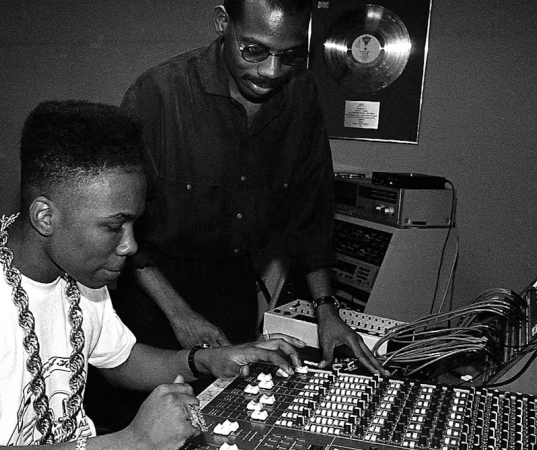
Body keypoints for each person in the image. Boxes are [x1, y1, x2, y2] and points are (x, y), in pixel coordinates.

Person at [0, 100, 304, 450]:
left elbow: (121, 359)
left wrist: (210, 360)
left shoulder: (82, 275)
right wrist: (131, 442)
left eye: (134, 224)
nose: (131, 245)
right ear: (45, 216)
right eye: (113, 226)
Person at [112, 0, 388, 374]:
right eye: (254, 50)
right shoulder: (159, 93)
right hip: (155, 295)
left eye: (288, 55)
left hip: (235, 289)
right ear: (223, 22)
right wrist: (180, 315)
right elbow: (122, 229)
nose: (271, 71)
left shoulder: (301, 94)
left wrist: (326, 309)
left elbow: (311, 211)